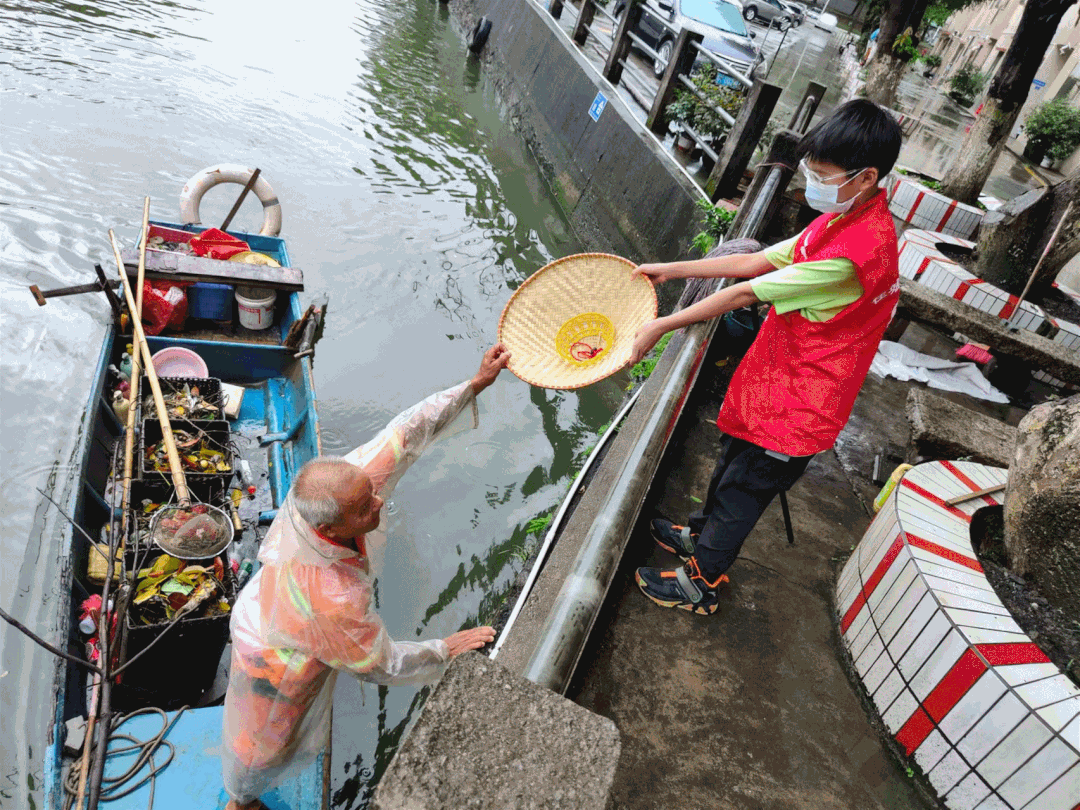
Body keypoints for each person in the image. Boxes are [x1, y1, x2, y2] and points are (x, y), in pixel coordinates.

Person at [628, 99, 903, 615]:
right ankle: (699, 535)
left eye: (822, 176)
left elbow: (744, 292)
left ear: (866, 178)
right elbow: (758, 258)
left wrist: (661, 325)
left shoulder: (855, 254)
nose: (812, 185)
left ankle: (701, 582)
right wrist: (669, 268)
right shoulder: (838, 223)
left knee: (743, 492)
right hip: (782, 380)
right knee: (730, 462)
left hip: (802, 403)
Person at [221, 344, 511, 810]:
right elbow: (380, 664)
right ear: (331, 529)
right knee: (265, 738)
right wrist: (444, 649)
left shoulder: (346, 487)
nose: (378, 502)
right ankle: (242, 800)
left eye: (370, 493)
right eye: (365, 507)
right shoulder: (331, 597)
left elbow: (407, 431)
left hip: (271, 602)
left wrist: (474, 384)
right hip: (276, 653)